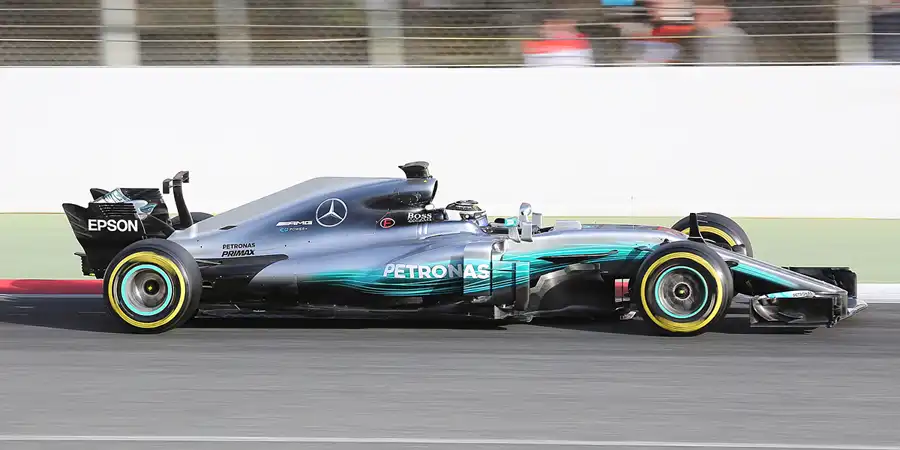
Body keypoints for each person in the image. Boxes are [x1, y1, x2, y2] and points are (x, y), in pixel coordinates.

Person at [691, 0, 757, 64]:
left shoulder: (722, 37)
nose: (694, 19)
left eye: (697, 15)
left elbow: (721, 72)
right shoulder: (706, 36)